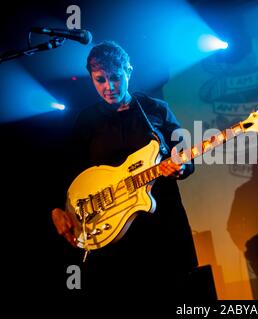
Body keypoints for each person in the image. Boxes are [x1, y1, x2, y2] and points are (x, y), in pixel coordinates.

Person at [51, 41, 198, 298]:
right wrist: (56, 209)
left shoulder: (156, 110)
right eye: (100, 80)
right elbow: (66, 170)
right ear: (92, 78)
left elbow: (185, 157)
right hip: (113, 240)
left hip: (160, 231)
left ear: (128, 71)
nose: (109, 87)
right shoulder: (86, 121)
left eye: (116, 78)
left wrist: (180, 166)